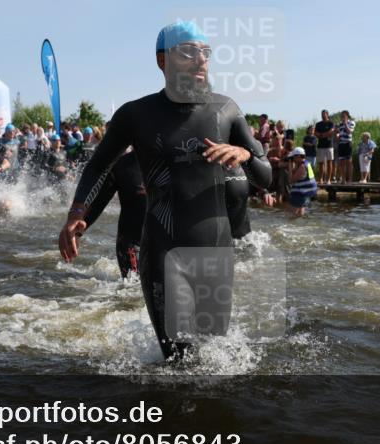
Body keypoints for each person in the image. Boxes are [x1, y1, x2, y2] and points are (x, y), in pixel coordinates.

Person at [58, 21, 271, 361]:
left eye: (206, 53)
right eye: (189, 53)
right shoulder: (136, 114)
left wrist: (246, 155)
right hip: (162, 253)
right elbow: (99, 166)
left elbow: (266, 177)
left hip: (216, 254)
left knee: (216, 361)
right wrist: (77, 215)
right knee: (179, 363)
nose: (200, 60)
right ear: (163, 62)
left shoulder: (226, 109)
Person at [82, 149, 147, 278]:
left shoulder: (173, 161)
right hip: (131, 241)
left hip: (164, 242)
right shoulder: (121, 165)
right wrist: (77, 231)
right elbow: (98, 203)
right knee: (132, 287)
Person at [314, 109, 335, 184]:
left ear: (327, 114)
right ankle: (321, 179)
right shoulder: (318, 124)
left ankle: (329, 179)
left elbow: (332, 131)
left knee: (330, 162)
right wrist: (322, 135)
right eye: (322, 114)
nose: (323, 116)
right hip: (320, 146)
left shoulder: (331, 123)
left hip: (329, 145)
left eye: (324, 114)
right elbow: (315, 133)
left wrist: (322, 135)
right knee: (321, 163)